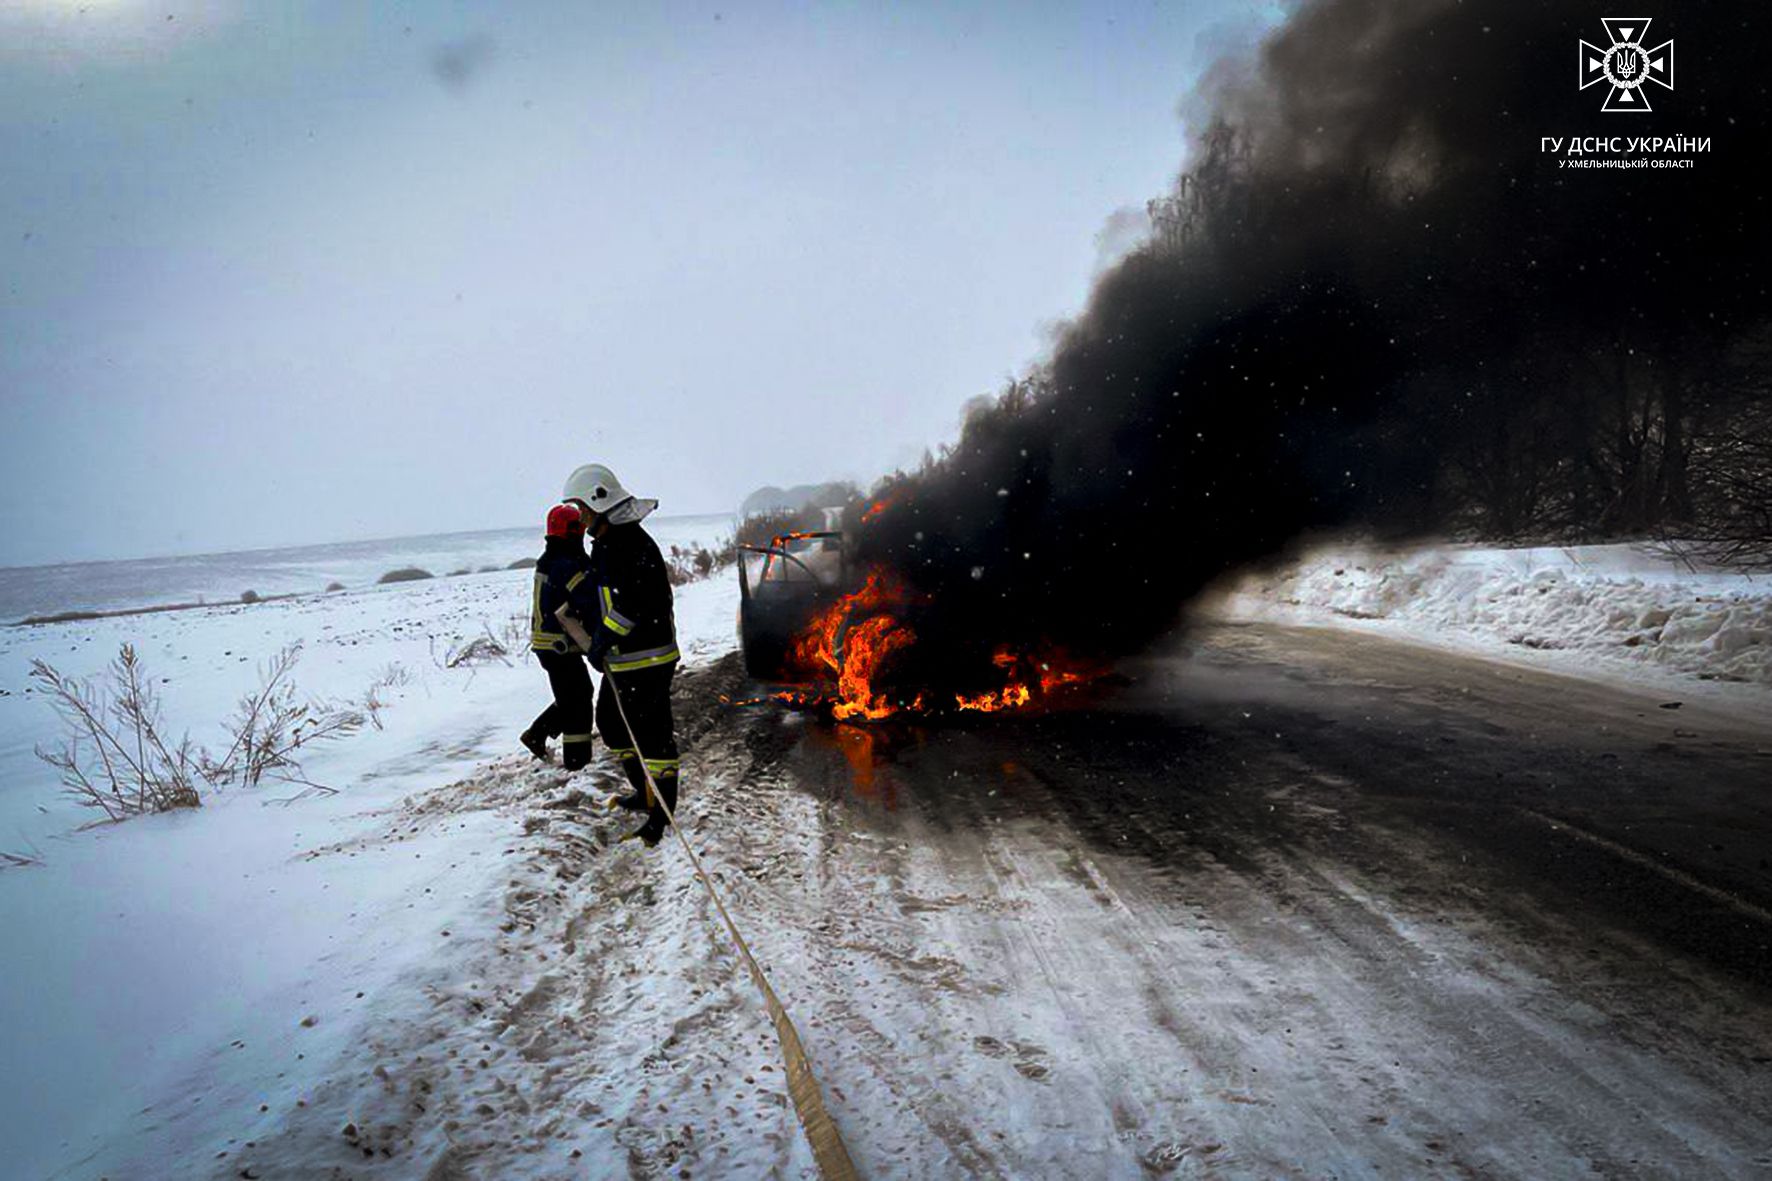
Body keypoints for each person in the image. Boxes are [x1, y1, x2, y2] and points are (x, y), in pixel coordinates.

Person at [562, 462, 681, 847]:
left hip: (647, 658)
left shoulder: (629, 544)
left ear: (600, 502)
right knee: (612, 725)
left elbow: (633, 605)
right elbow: (607, 596)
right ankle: (645, 793)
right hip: (626, 659)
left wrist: (600, 641)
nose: (578, 518)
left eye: (580, 509)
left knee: (654, 738)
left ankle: (660, 818)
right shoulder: (609, 545)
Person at [520, 502, 600, 771]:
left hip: (552, 647)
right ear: (573, 531)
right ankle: (576, 761)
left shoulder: (552, 558)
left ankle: (539, 733)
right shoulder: (567, 563)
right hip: (559, 647)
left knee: (576, 695)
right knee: (576, 702)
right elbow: (587, 599)